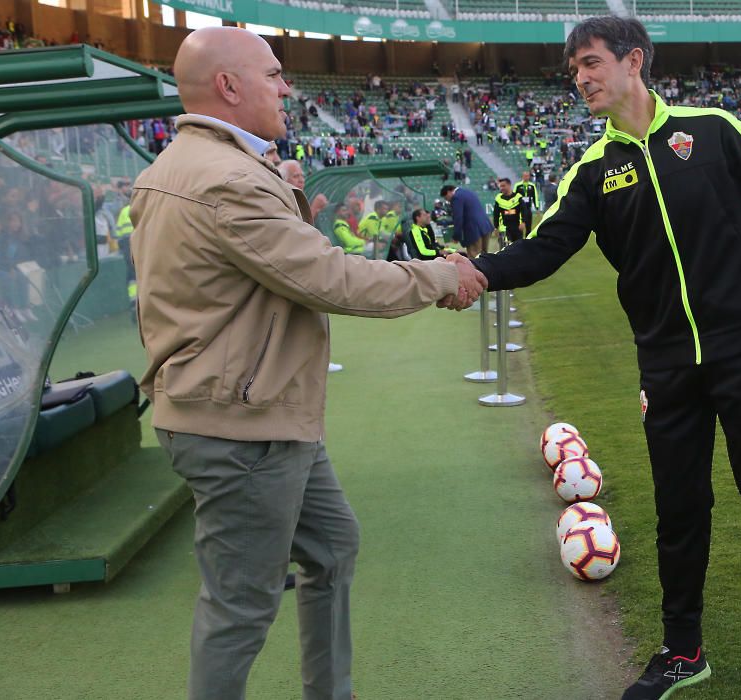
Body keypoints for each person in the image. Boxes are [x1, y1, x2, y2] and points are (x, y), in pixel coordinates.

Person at [467, 17, 741, 700]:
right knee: (678, 510)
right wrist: (471, 274)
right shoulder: (592, 171)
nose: (580, 78)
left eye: (590, 63)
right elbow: (543, 249)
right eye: (573, 70)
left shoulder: (711, 129)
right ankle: (682, 652)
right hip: (667, 366)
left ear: (631, 61)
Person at [128, 27, 485, 700]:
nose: (287, 87)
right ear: (229, 87)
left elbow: (253, 271)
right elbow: (327, 278)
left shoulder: (185, 165)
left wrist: (279, 182)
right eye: (272, 74)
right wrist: (439, 276)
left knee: (332, 546)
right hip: (242, 422)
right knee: (240, 606)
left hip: (246, 408)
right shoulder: (227, 179)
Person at [440, 183, 494, 258]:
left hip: (473, 230)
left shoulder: (456, 197)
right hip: (485, 226)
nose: (448, 201)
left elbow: (458, 218)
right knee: (484, 255)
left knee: (474, 257)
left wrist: (456, 236)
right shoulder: (467, 192)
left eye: (446, 198)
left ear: (449, 192)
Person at [492, 177, 525, 245]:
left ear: (509, 185)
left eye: (503, 186)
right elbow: (496, 214)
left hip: (517, 227)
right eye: (500, 186)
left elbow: (524, 211)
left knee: (519, 247)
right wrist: (496, 227)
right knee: (505, 249)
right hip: (504, 228)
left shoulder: (518, 197)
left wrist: (523, 222)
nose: (501, 188)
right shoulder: (498, 199)